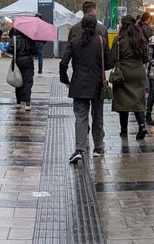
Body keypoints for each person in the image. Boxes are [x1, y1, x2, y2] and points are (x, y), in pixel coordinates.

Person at [60, 15, 110, 163]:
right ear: (95, 26)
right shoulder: (102, 41)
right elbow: (109, 63)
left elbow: (63, 63)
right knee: (98, 116)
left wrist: (65, 80)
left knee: (80, 117)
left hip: (78, 84)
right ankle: (98, 147)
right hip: (97, 83)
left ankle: (80, 149)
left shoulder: (74, 41)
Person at [112, 15, 149, 140]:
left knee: (123, 102)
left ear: (123, 25)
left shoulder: (118, 39)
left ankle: (123, 130)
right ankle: (142, 125)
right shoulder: (140, 38)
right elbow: (146, 57)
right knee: (138, 100)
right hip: (138, 71)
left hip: (123, 72)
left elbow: (113, 58)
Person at [9, 26, 39, 109]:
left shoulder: (14, 38)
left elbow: (8, 49)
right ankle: (27, 103)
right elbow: (35, 52)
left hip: (17, 61)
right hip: (28, 62)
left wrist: (15, 51)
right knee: (28, 82)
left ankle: (18, 102)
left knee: (18, 80)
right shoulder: (30, 39)